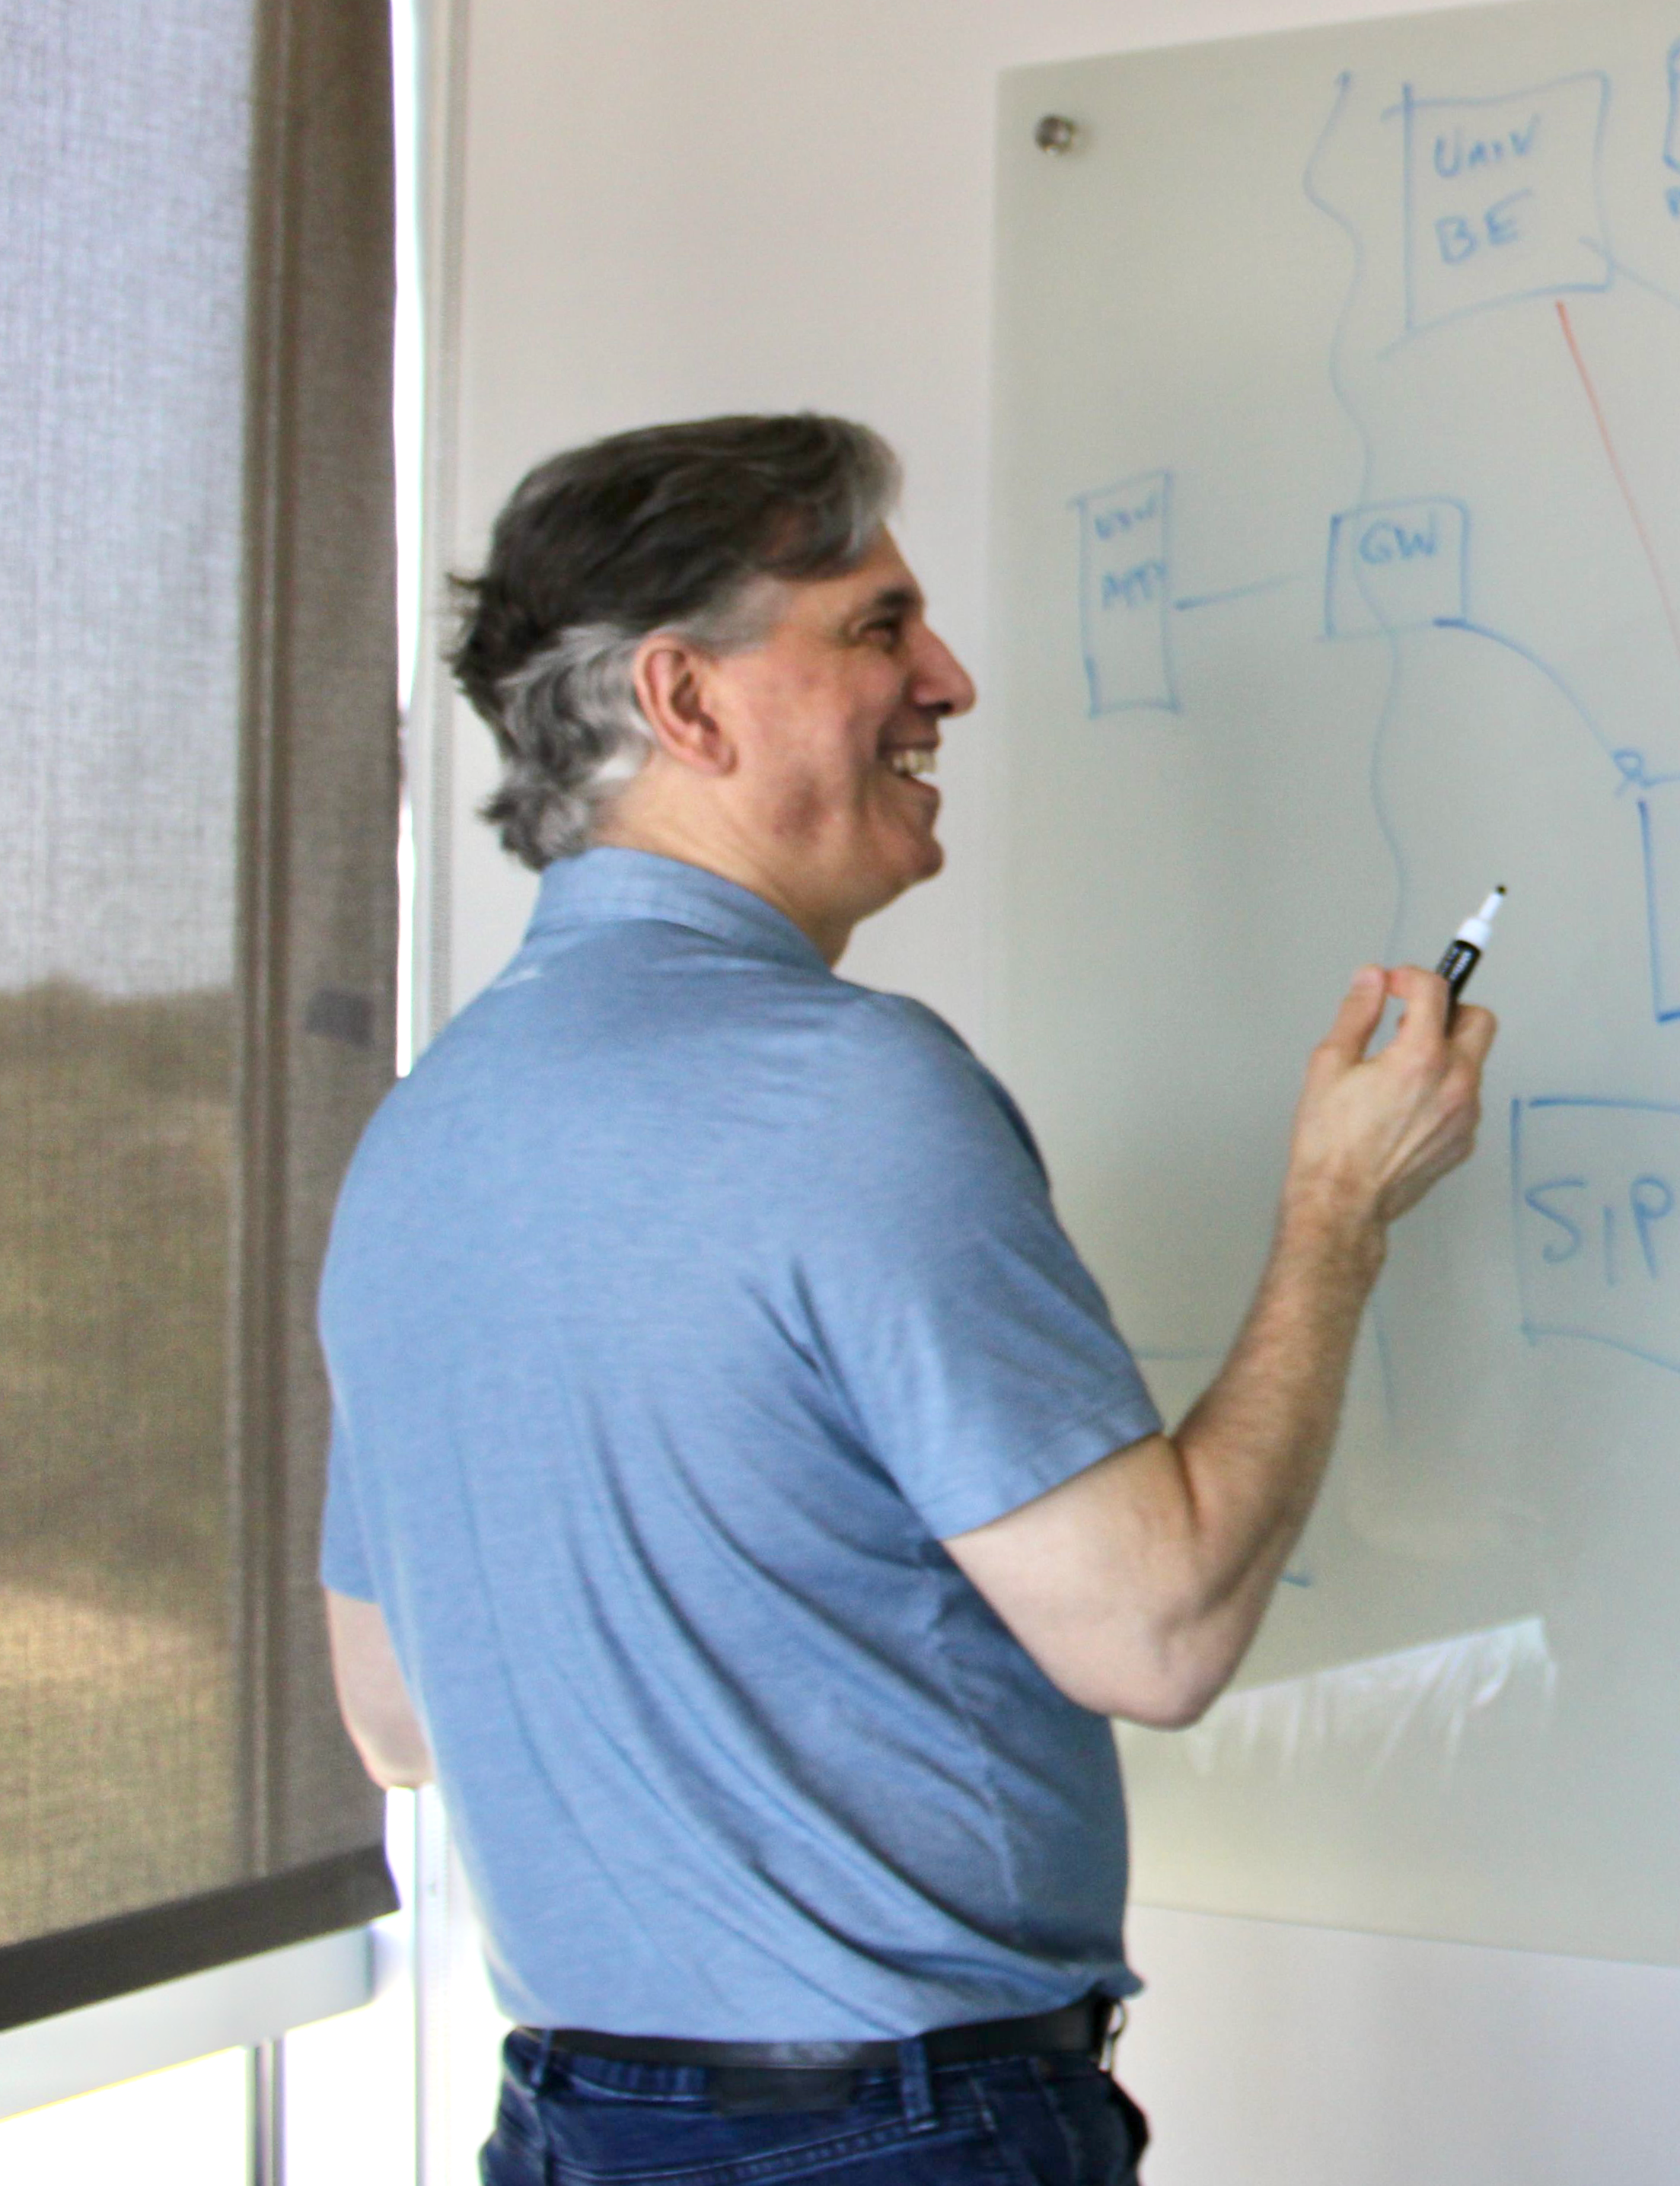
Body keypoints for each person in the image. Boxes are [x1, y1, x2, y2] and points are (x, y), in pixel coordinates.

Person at [316, 414, 1491, 2186]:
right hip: (882, 2137)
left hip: (567, 2130)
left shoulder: (418, 1139)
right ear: (685, 702)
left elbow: (392, 1717)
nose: (946, 679)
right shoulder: (848, 1087)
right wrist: (1340, 1211)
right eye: (876, 627)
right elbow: (1155, 1635)